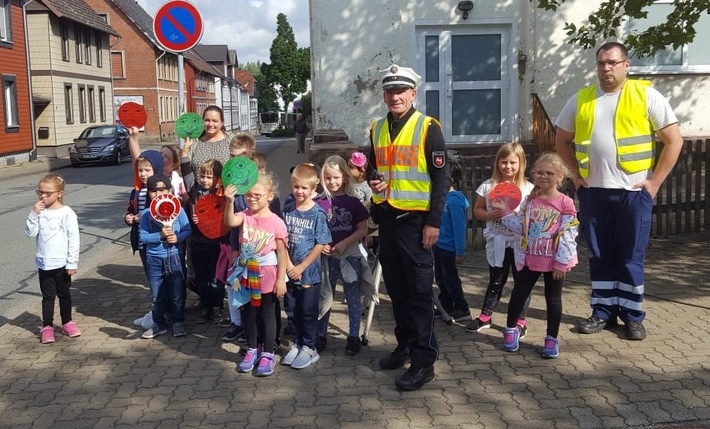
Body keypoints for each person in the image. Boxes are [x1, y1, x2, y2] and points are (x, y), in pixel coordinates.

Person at [555, 41, 683, 341]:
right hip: (594, 192)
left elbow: (674, 140)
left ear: (626, 65)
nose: (606, 68)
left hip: (633, 194)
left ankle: (632, 315)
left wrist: (655, 183)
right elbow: (561, 140)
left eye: (612, 62)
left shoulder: (645, 95)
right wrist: (575, 176)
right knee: (600, 255)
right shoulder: (582, 98)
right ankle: (602, 311)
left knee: (630, 256)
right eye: (601, 63)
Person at [367, 64, 450, 391]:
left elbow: (442, 180)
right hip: (388, 221)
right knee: (398, 293)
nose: (395, 96)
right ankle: (404, 346)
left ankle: (423, 361)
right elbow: (374, 169)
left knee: (418, 295)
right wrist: (373, 193)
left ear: (413, 94)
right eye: (390, 91)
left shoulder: (428, 127)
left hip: (417, 225)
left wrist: (433, 223)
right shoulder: (376, 127)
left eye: (401, 91)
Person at [493, 153, 579, 358]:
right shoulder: (530, 201)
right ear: (533, 174)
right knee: (519, 294)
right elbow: (521, 228)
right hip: (530, 259)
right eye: (540, 172)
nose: (544, 176)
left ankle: (551, 339)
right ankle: (511, 331)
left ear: (559, 177)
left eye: (549, 173)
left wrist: (561, 261)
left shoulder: (565, 203)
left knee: (553, 299)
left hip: (554, 262)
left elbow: (568, 233)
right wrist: (505, 211)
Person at [465, 143, 535, 335]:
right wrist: (488, 216)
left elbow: (534, 214)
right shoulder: (488, 186)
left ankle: (520, 321)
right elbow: (477, 209)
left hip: (520, 243)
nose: (508, 166)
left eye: (513, 162)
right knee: (496, 280)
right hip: (498, 241)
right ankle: (485, 317)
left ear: (521, 164)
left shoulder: (529, 188)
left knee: (522, 283)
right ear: (497, 163)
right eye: (504, 162)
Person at [224, 171, 288, 377]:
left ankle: (268, 352)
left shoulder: (276, 222)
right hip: (245, 273)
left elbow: (281, 252)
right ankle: (252, 349)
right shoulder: (245, 216)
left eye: (257, 195)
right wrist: (229, 201)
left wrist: (280, 279)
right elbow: (229, 222)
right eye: (249, 195)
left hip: (267, 273)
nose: (252, 199)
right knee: (249, 314)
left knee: (268, 315)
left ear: (270, 196)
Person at [317, 155, 370, 356]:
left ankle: (353, 336)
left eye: (336, 177)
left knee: (352, 296)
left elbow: (362, 229)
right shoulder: (319, 202)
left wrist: (344, 243)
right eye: (328, 178)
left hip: (349, 255)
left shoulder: (353, 202)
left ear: (345, 178)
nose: (332, 182)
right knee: (325, 295)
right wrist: (320, 245)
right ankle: (320, 333)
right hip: (327, 256)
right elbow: (315, 229)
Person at [281, 164, 332, 369]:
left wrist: (301, 266)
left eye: (304, 188)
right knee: (292, 310)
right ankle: (297, 342)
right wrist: (289, 265)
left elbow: (321, 243)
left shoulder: (317, 213)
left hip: (308, 274)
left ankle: (310, 347)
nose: (299, 192)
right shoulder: (287, 209)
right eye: (296, 187)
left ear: (313, 188)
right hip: (289, 271)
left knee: (308, 311)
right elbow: (281, 240)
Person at [25, 174, 81, 344]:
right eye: (40, 192)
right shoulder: (39, 212)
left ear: (60, 193)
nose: (43, 196)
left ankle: (67, 322)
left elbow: (74, 238)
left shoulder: (67, 213)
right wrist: (33, 214)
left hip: (62, 263)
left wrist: (72, 262)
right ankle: (47, 327)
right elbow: (30, 233)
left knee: (64, 295)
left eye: (48, 193)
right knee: (48, 297)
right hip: (45, 262)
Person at [139, 175, 192, 339]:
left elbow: (187, 229)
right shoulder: (147, 215)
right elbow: (144, 237)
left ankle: (178, 321)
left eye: (162, 189)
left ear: (170, 190)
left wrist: (178, 238)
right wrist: (160, 235)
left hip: (174, 258)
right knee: (157, 295)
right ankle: (159, 323)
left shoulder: (178, 210)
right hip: (154, 260)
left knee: (177, 294)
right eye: (153, 191)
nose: (158, 194)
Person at [185, 159, 227, 325]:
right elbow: (187, 176)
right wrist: (185, 155)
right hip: (198, 243)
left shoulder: (221, 194)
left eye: (209, 177)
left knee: (216, 278)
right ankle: (205, 306)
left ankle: (217, 307)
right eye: (202, 176)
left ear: (218, 179)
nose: (205, 180)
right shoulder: (195, 192)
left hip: (216, 244)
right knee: (202, 278)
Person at [433, 156, 471, 323]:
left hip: (450, 248)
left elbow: (460, 228)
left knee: (450, 278)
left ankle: (462, 308)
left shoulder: (455, 200)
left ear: (451, 179)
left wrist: (460, 251)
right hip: (438, 245)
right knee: (440, 278)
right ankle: (446, 305)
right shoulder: (439, 197)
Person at [180, 105, 232, 191]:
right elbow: (187, 172)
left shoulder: (231, 142)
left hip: (224, 196)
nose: (210, 124)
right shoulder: (194, 143)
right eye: (207, 120)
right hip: (199, 195)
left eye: (215, 121)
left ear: (222, 123)